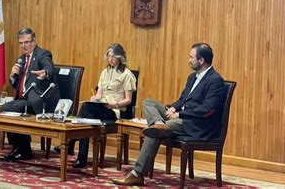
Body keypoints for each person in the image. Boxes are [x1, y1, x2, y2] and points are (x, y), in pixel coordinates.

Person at [112, 43, 225, 186]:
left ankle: (137, 173)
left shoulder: (215, 80)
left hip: (196, 124)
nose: (189, 60)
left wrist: (180, 114)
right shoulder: (192, 77)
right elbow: (183, 99)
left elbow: (207, 109)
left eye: (191, 57)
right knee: (149, 102)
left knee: (157, 131)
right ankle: (158, 123)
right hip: (180, 117)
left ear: (201, 60)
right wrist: (173, 108)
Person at [71, 43, 136, 168]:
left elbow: (128, 100)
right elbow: (99, 94)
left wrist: (114, 104)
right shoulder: (104, 72)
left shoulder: (127, 75)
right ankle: (82, 157)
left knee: (86, 109)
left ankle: (72, 141)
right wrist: (94, 98)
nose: (110, 59)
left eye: (113, 56)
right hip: (102, 106)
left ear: (120, 57)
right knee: (87, 114)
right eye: (108, 56)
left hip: (115, 110)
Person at [1, 28, 60, 161]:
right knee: (5, 109)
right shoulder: (21, 59)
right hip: (24, 99)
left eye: (26, 42)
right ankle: (18, 146)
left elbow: (48, 67)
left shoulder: (42, 54)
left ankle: (24, 150)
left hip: (39, 100)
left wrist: (45, 73)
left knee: (14, 108)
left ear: (34, 41)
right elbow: (16, 85)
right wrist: (12, 76)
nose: (24, 45)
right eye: (21, 43)